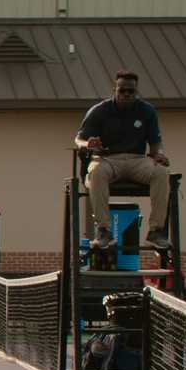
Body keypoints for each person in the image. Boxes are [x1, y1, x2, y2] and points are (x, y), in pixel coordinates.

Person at [73, 69, 172, 250]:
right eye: (122, 90)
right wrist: (88, 144)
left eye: (131, 91)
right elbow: (78, 139)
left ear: (136, 92)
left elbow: (156, 144)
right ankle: (104, 230)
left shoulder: (147, 111)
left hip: (137, 160)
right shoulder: (99, 111)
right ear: (115, 90)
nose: (126, 94)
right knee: (96, 172)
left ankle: (156, 231)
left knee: (161, 172)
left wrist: (159, 154)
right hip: (108, 160)